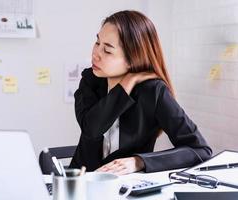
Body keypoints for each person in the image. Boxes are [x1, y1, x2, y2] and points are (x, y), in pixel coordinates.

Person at [69, 10, 212, 175]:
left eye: (107, 50)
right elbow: (92, 129)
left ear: (133, 59)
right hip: (80, 182)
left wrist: (139, 161)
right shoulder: (90, 79)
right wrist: (127, 83)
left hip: (128, 189)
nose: (96, 54)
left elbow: (200, 150)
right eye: (97, 43)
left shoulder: (153, 91)